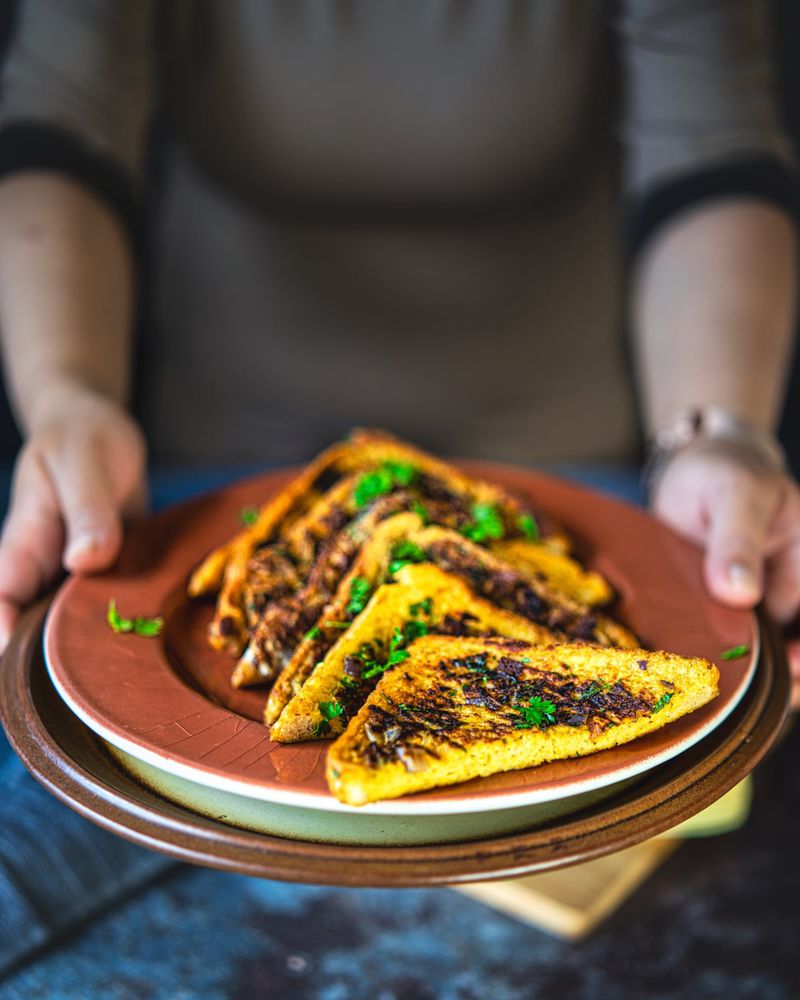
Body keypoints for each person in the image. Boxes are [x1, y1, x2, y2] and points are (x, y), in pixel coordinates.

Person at [0, 1, 798, 703]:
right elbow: (62, 124)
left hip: (572, 481)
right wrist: (70, 396)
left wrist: (715, 433)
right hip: (205, 476)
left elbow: (712, 152)